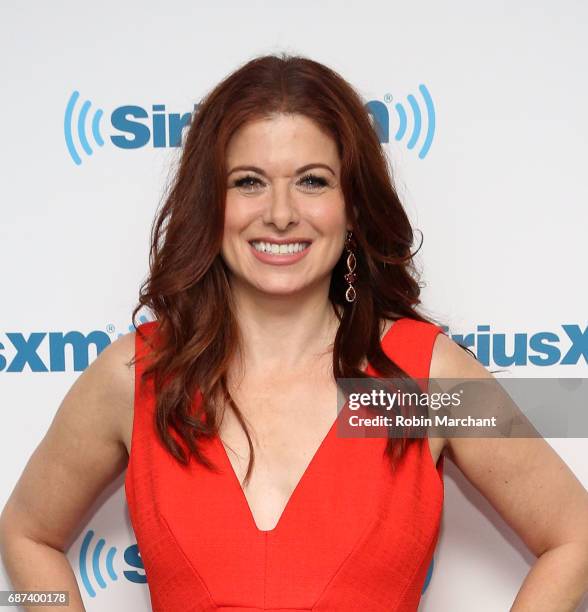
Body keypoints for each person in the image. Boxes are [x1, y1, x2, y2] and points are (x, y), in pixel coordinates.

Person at [1, 53, 587, 612]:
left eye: (311, 181)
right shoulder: (139, 376)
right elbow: (27, 534)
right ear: (211, 203)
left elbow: (574, 535)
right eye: (249, 182)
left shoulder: (419, 379)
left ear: (352, 205)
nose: (281, 213)